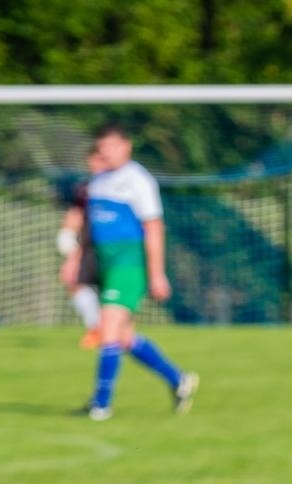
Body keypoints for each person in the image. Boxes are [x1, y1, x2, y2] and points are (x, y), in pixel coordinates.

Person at [61, 124, 198, 421]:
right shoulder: (97, 181)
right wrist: (75, 258)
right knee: (123, 337)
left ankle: (101, 404)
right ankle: (178, 380)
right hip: (104, 264)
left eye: (111, 145)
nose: (105, 152)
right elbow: (90, 228)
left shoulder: (138, 180)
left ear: (127, 146)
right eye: (101, 147)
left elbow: (153, 227)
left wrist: (157, 273)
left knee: (107, 325)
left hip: (129, 265)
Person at [58, 148, 108, 349]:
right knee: (74, 282)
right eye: (93, 160)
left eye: (100, 160)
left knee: (109, 291)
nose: (95, 164)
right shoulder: (85, 188)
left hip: (110, 247)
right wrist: (67, 234)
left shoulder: (120, 187)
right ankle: (96, 328)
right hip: (89, 247)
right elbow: (76, 213)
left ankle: (110, 328)